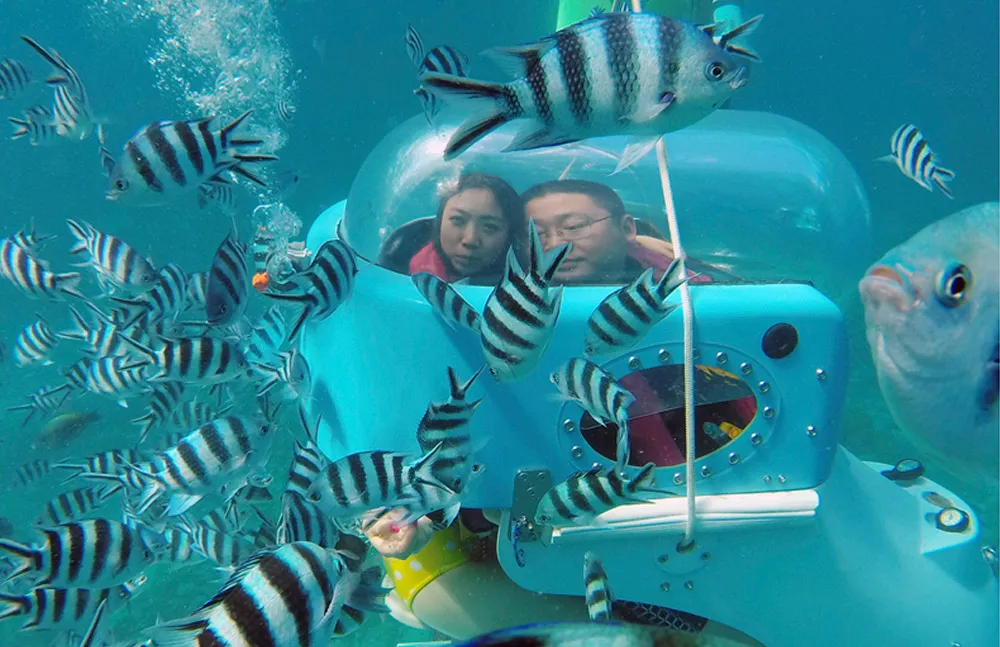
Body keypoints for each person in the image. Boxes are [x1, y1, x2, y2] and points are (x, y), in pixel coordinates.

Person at [521, 178, 714, 286]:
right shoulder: (510, 288)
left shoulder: (683, 283)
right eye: (537, 233)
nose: (554, 245)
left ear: (627, 229)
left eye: (573, 227)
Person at [408, 172, 524, 282]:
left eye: (490, 227)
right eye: (458, 220)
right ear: (439, 223)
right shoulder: (405, 264)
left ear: (510, 236)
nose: (470, 240)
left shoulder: (529, 276)